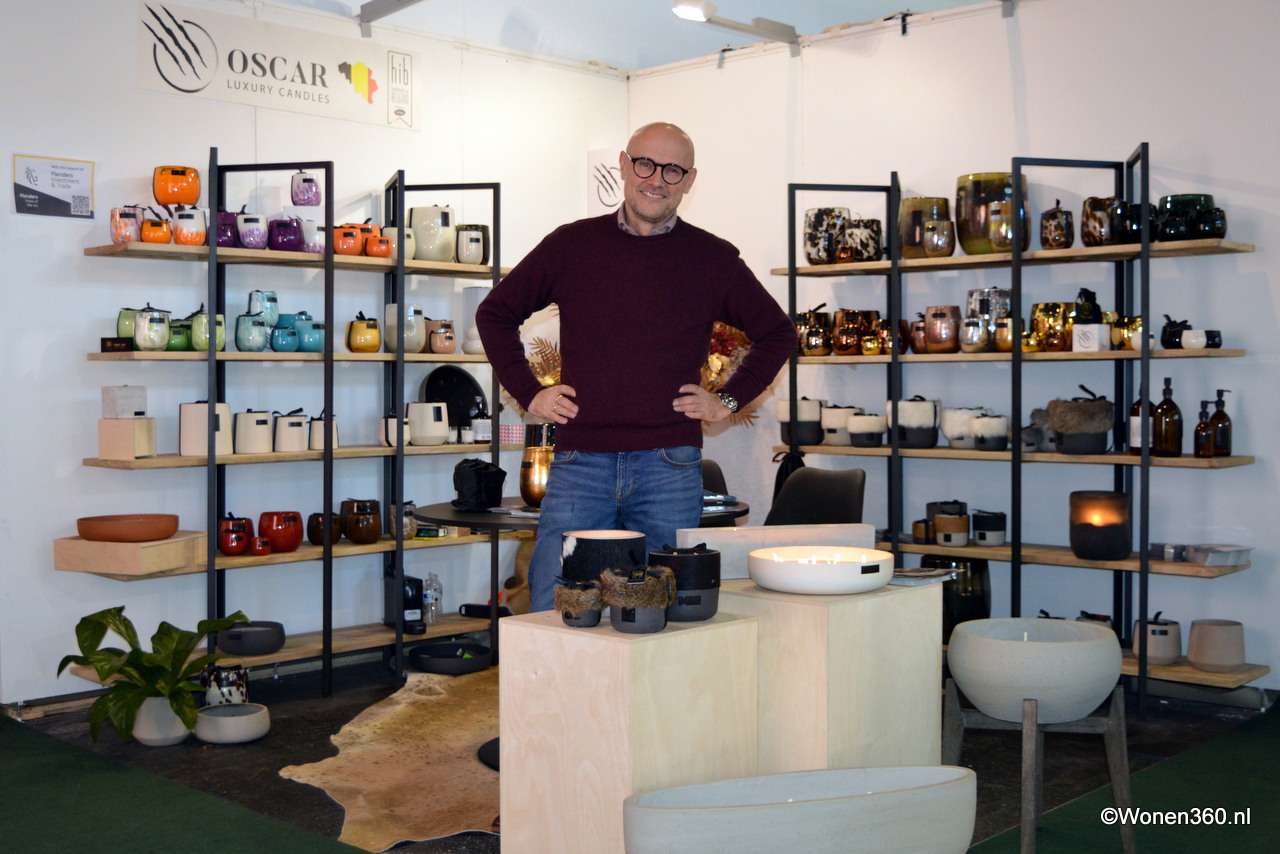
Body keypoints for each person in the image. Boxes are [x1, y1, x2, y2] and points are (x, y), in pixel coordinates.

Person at [476, 121, 795, 612]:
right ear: (624, 166)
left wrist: (726, 401)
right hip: (582, 462)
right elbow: (495, 313)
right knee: (556, 603)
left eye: (673, 170)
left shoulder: (712, 258)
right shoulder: (571, 246)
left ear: (690, 180)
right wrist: (530, 391)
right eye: (645, 164)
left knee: (661, 609)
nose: (656, 179)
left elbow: (778, 333)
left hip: (669, 465)